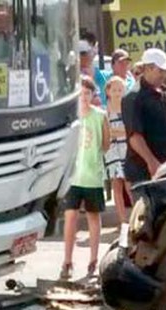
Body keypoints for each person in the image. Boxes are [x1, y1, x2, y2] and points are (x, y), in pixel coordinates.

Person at [60, 76, 110, 279]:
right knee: (70, 216)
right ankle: (67, 260)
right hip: (73, 176)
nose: (84, 97)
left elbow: (106, 143)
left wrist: (95, 158)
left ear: (92, 95)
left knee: (93, 216)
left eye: (87, 93)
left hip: (92, 175)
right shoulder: (71, 117)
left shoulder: (100, 116)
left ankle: (93, 259)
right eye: (81, 94)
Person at [123, 48, 166, 186]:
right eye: (160, 71)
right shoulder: (134, 97)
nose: (164, 75)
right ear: (148, 68)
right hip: (146, 172)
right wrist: (152, 162)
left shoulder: (162, 91)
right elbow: (135, 137)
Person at [104, 76, 132, 224]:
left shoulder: (127, 107)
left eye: (120, 89)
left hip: (127, 149)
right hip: (112, 151)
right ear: (108, 91)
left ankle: (135, 217)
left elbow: (130, 130)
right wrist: (119, 131)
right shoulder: (105, 110)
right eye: (114, 89)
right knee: (117, 184)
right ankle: (122, 220)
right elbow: (106, 131)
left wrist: (118, 131)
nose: (117, 92)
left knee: (129, 183)